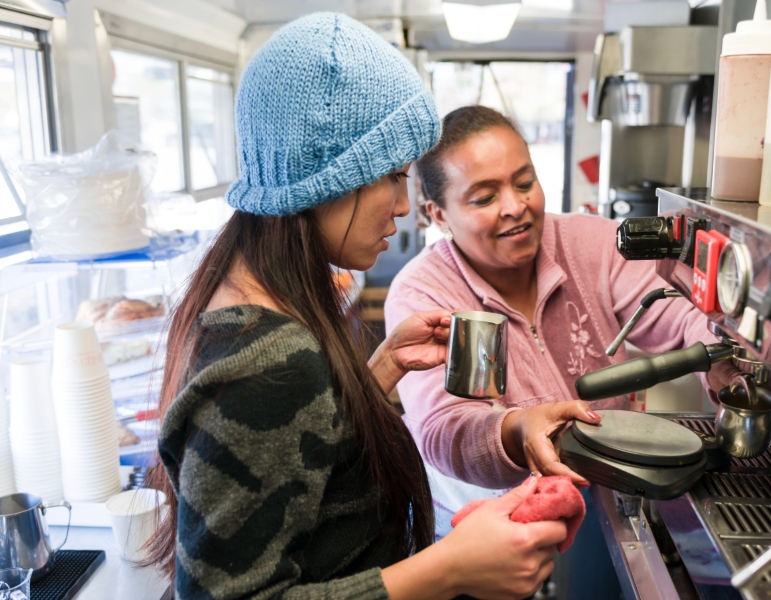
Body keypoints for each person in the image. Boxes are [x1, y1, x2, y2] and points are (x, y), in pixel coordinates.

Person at [145, 15, 568, 600]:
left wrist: (380, 371)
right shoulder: (266, 359)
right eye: (393, 177)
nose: (402, 206)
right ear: (329, 178)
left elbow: (306, 478)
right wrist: (451, 568)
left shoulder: (255, 300)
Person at [384, 105, 738, 598]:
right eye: (485, 196)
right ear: (437, 214)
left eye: (525, 183)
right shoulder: (421, 293)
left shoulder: (589, 244)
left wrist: (724, 360)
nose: (515, 206)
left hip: (600, 494)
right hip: (487, 525)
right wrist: (517, 429)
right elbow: (444, 430)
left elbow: (679, 316)